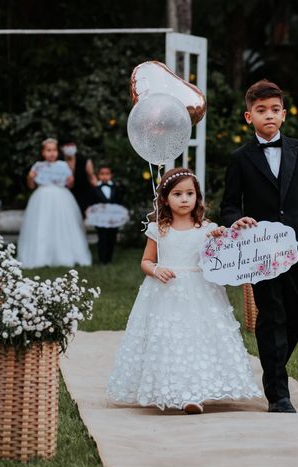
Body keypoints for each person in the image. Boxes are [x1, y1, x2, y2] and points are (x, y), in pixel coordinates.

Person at [107, 167, 261, 414]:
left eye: (190, 193)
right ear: (165, 199)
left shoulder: (207, 228)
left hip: (200, 292)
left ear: (197, 197)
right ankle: (172, 389)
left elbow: (222, 255)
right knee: (171, 341)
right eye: (178, 194)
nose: (184, 199)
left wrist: (222, 237)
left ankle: (195, 394)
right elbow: (146, 261)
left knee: (198, 340)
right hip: (166, 292)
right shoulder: (159, 229)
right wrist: (156, 270)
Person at [220, 79, 298, 413]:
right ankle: (278, 394)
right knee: (272, 315)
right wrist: (235, 221)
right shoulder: (240, 158)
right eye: (261, 110)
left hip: (295, 248)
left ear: (283, 115)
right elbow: (228, 206)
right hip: (260, 251)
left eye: (275, 110)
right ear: (248, 116)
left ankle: (274, 363)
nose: (269, 115)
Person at [17, 138, 92, 268]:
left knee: (62, 224)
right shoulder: (38, 166)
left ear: (58, 152)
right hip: (42, 197)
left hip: (61, 197)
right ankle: (41, 256)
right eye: (48, 150)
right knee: (42, 224)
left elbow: (70, 184)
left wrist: (70, 180)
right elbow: (31, 186)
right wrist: (30, 177)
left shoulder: (63, 166)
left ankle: (65, 254)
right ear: (43, 152)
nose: (52, 153)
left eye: (54, 150)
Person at [91, 165, 122, 264]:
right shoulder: (95, 189)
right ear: (98, 175)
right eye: (102, 174)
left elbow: (119, 202)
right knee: (102, 238)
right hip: (100, 219)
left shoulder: (116, 188)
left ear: (111, 175)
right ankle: (102, 260)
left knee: (112, 238)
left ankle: (109, 258)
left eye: (107, 174)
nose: (104, 176)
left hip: (113, 219)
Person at [61, 136, 97, 217]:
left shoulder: (84, 160)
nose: (70, 148)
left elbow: (92, 178)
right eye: (67, 145)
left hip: (82, 194)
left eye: (72, 145)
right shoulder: (58, 161)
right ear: (62, 148)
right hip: (64, 195)